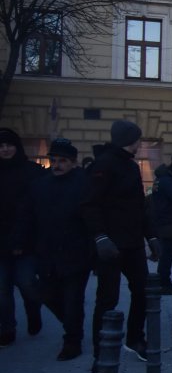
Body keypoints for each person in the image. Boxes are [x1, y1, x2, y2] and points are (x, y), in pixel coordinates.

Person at [80, 120, 158, 366]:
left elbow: (138, 206)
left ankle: (135, 338)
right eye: (137, 139)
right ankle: (100, 353)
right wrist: (100, 237)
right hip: (111, 245)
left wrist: (151, 237)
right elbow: (90, 205)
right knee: (107, 300)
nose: (140, 143)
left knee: (143, 291)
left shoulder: (131, 167)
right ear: (129, 140)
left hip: (133, 242)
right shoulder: (103, 165)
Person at [27, 138, 90, 361]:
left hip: (76, 253)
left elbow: (91, 219)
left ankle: (72, 341)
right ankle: (72, 325)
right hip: (47, 254)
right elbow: (30, 218)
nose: (57, 165)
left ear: (73, 162)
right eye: (53, 160)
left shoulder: (84, 184)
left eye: (62, 161)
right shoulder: (40, 186)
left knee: (73, 300)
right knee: (47, 295)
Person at [0, 127, 46, 347]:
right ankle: (7, 329)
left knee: (26, 282)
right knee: (2, 290)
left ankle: (33, 307)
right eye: (1, 146)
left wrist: (22, 239)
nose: (5, 149)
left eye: (9, 145)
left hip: (26, 241)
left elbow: (34, 210)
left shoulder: (31, 172)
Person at [150, 155, 172, 292]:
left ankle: (163, 281)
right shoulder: (167, 182)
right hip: (169, 223)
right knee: (167, 255)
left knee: (166, 255)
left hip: (163, 222)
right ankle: (164, 283)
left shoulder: (160, 180)